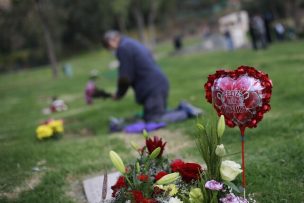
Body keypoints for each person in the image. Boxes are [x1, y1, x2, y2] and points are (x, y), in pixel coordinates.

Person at [102, 31, 202, 125]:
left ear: (112, 40)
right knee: (151, 115)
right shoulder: (130, 43)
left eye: (109, 47)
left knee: (154, 119)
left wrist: (119, 94)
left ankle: (188, 112)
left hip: (153, 88)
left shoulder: (123, 48)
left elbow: (125, 76)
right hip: (157, 85)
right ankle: (183, 108)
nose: (111, 50)